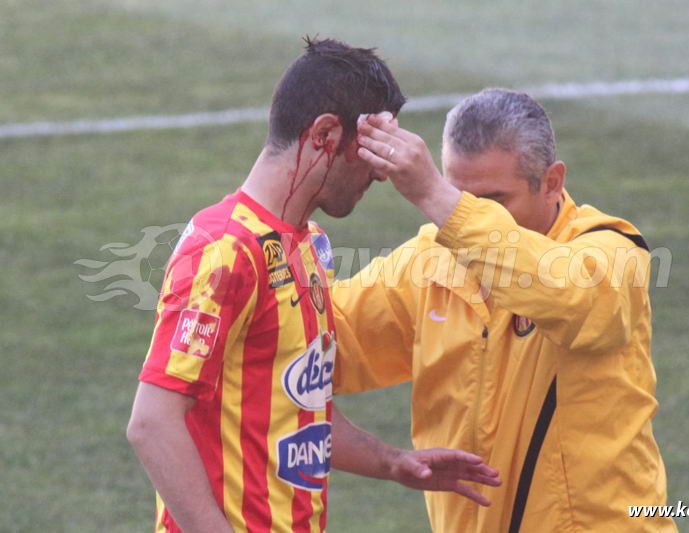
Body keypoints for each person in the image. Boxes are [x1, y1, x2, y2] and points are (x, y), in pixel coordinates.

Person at [126, 39, 500, 533]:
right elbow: (152, 423)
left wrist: (392, 463)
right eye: (370, 150)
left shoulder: (306, 244)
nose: (381, 174)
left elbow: (296, 407)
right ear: (325, 133)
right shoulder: (225, 251)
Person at [333, 89, 677, 532]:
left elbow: (566, 295)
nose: (466, 213)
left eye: (493, 200)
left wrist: (439, 197)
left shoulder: (612, 251)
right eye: (459, 195)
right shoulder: (430, 261)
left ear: (552, 182)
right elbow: (323, 342)